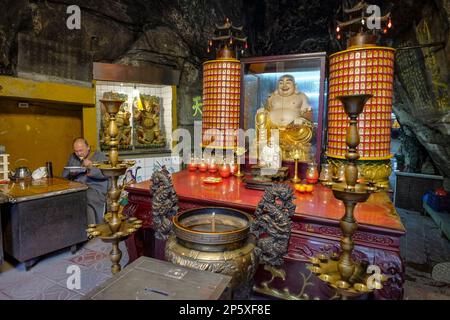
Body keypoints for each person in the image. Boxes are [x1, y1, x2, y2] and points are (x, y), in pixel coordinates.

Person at [256, 74, 313, 162]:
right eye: (281, 83)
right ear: (277, 86)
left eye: (288, 82)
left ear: (295, 85)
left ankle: (288, 147)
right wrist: (262, 111)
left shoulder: (301, 96)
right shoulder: (272, 97)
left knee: (304, 130)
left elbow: (308, 113)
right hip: (272, 130)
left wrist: (302, 119)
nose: (284, 85)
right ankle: (264, 144)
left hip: (292, 130)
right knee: (261, 116)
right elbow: (267, 109)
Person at [62, 138, 108, 225]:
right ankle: (75, 228)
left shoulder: (100, 156)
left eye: (81, 150)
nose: (79, 154)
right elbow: (64, 175)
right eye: (76, 151)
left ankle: (92, 228)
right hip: (77, 187)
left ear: (88, 147)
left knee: (83, 197)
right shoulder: (73, 157)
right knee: (66, 197)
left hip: (95, 188)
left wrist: (90, 166)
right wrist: (71, 173)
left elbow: (105, 174)